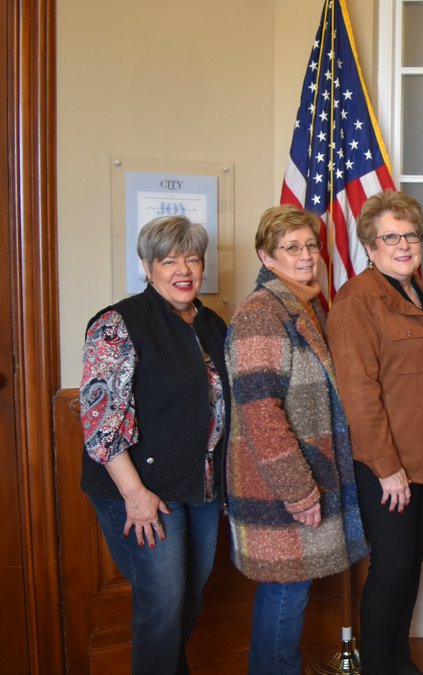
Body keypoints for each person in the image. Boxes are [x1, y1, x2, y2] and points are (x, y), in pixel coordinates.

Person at [79, 215, 229, 675]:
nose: (183, 269)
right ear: (147, 266)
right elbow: (100, 424)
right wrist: (135, 496)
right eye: (168, 260)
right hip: (142, 492)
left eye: (192, 258)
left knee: (189, 598)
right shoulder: (117, 323)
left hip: (200, 488)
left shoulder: (212, 323)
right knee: (162, 605)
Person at [225, 205, 368, 674]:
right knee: (286, 589)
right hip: (283, 483)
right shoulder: (262, 314)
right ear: (267, 257)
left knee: (293, 587)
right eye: (292, 248)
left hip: (308, 473)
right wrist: (297, 488)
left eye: (310, 245)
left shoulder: (301, 304)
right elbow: (259, 412)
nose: (306, 255)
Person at [327, 190, 423, 675]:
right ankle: (378, 665)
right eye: (390, 237)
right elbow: (359, 396)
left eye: (410, 235)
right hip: (389, 465)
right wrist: (387, 469)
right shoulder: (357, 301)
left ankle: (399, 658)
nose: (403, 245)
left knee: (412, 561)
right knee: (392, 564)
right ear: (369, 245)